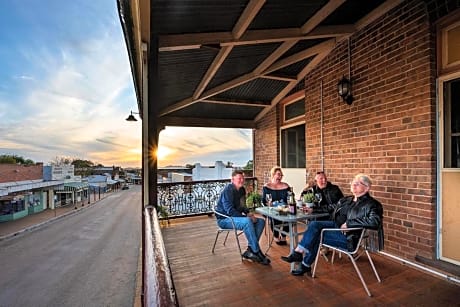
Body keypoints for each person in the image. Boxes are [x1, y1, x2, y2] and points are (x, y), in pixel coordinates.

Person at [281, 174, 383, 276]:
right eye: (353, 182)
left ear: (367, 188)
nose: (353, 184)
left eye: (358, 183)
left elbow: (374, 221)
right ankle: (299, 253)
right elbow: (331, 208)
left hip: (348, 237)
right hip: (335, 226)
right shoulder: (347, 200)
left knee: (316, 235)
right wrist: (314, 209)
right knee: (314, 225)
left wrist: (349, 223)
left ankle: (304, 264)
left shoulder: (372, 204)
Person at [215, 170, 270, 265]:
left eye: (243, 178)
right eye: (239, 178)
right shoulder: (228, 190)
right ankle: (256, 251)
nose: (242, 180)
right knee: (247, 222)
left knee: (260, 221)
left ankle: (250, 250)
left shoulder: (242, 190)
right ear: (232, 180)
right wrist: (244, 217)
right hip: (224, 219)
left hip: (235, 218)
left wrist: (248, 213)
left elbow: (243, 206)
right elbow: (229, 210)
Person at [262, 166, 290, 245]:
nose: (280, 177)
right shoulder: (266, 187)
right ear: (273, 175)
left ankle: (284, 235)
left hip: (284, 208)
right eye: (278, 174)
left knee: (290, 217)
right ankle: (276, 236)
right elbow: (264, 201)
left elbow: (290, 198)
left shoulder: (286, 186)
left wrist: (288, 203)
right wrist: (268, 204)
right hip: (272, 209)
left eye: (281, 175)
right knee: (275, 218)